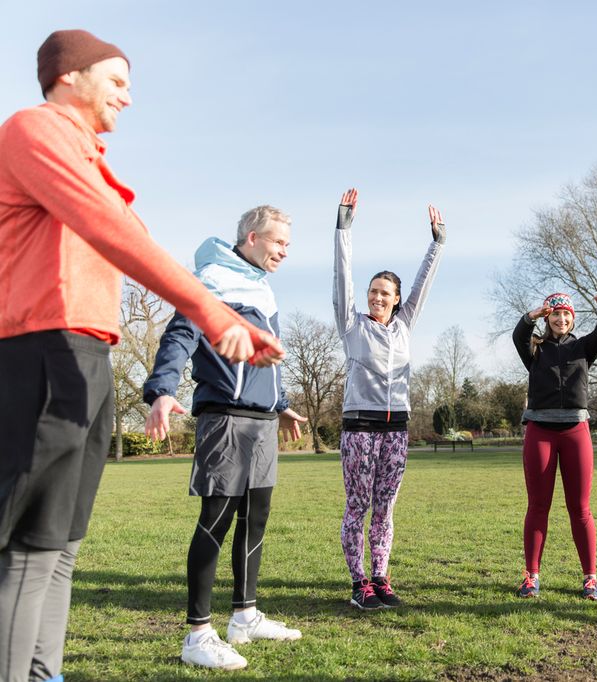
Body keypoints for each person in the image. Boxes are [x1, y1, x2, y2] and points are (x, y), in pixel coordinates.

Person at [0, 29, 282, 682]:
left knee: (63, 543)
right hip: (42, 351)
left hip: (87, 357)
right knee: (28, 549)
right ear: (69, 76)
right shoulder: (34, 131)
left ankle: (47, 673)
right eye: (118, 80)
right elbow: (116, 231)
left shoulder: (90, 157)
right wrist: (213, 313)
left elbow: (132, 238)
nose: (129, 96)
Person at [143, 206, 308, 670]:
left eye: (288, 245)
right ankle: (198, 635)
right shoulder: (212, 277)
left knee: (255, 518)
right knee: (216, 519)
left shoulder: (261, 286)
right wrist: (160, 391)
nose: (284, 251)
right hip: (225, 421)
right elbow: (179, 337)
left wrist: (280, 401)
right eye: (279, 243)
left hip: (261, 422)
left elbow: (261, 358)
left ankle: (245, 617)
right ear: (252, 237)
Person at [333, 188, 445, 610]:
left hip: (396, 429)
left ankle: (381, 576)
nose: (378, 297)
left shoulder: (405, 325)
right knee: (358, 504)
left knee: (385, 509)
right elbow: (341, 278)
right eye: (373, 291)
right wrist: (343, 228)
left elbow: (423, 283)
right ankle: (358, 581)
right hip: (359, 428)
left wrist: (437, 243)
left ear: (397, 300)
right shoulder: (351, 325)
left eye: (386, 293)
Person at [511, 290, 597, 600]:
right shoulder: (535, 349)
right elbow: (519, 335)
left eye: (566, 314)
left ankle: (591, 578)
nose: (560, 319)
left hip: (575, 431)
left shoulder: (583, 347)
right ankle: (531, 577)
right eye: (555, 314)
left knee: (580, 508)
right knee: (538, 505)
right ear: (548, 317)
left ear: (572, 318)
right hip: (540, 431)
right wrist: (532, 316)